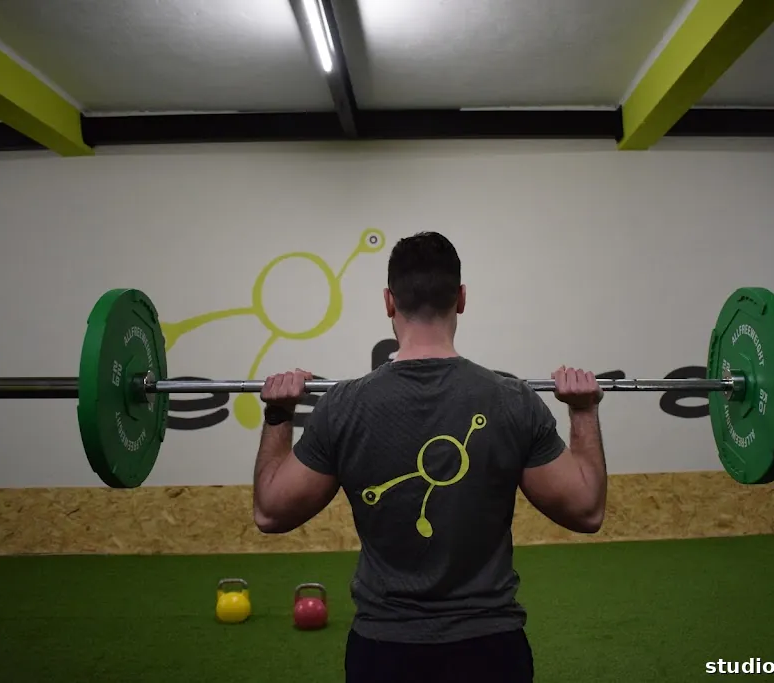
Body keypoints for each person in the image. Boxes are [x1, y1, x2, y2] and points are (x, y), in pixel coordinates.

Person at [252, 231, 607, 683]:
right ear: (461, 298)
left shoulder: (343, 406)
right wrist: (583, 411)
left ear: (388, 301)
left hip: (383, 654)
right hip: (490, 651)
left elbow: (269, 512)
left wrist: (279, 414)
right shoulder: (512, 402)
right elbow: (587, 510)